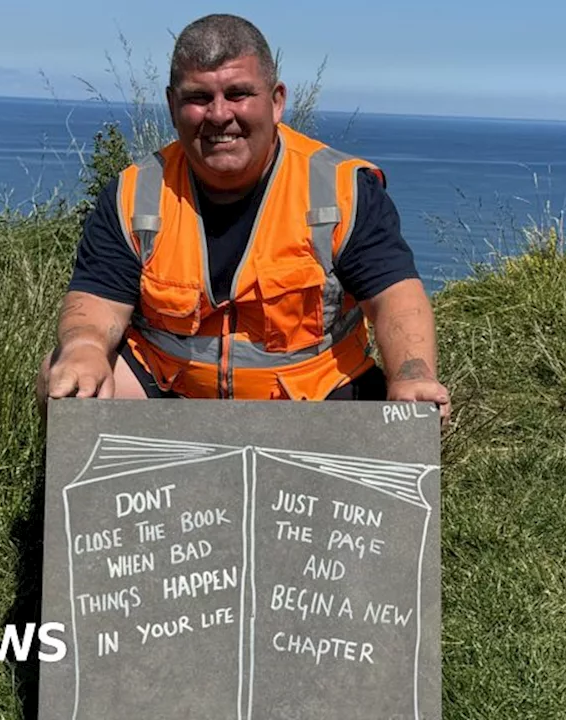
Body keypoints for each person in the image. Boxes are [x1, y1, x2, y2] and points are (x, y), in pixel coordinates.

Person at [37, 13, 449, 427]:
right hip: (171, 395)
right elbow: (98, 302)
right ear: (171, 104)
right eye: (198, 97)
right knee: (66, 376)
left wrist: (413, 375)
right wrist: (83, 349)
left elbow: (395, 297)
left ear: (276, 100)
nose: (218, 115)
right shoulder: (132, 194)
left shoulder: (343, 189)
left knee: (403, 413)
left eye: (238, 94)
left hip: (315, 400)